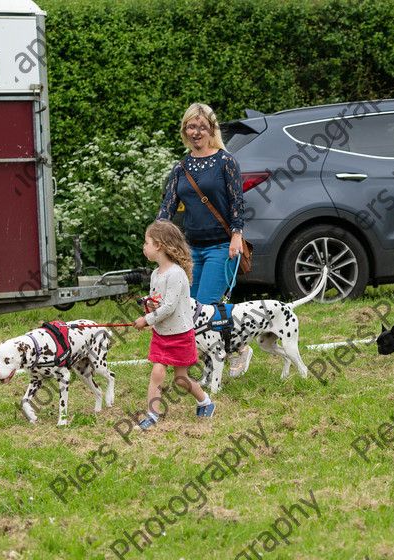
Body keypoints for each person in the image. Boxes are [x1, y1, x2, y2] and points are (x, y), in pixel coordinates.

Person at [157, 102, 252, 377]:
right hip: (191, 249)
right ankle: (198, 363)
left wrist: (236, 235)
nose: (196, 132)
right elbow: (168, 206)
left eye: (202, 126)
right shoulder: (181, 167)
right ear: (185, 130)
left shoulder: (226, 161)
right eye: (191, 126)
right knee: (189, 310)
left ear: (212, 129)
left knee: (207, 309)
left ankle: (237, 350)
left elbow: (237, 202)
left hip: (221, 247)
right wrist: (156, 235)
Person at [134, 220, 215, 429]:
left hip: (180, 335)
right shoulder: (155, 274)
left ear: (158, 245)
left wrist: (146, 320)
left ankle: (205, 401)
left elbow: (169, 307)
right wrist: (148, 306)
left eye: (147, 242)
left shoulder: (176, 274)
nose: (144, 247)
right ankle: (152, 415)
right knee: (157, 372)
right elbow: (158, 301)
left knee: (181, 380)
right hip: (161, 334)